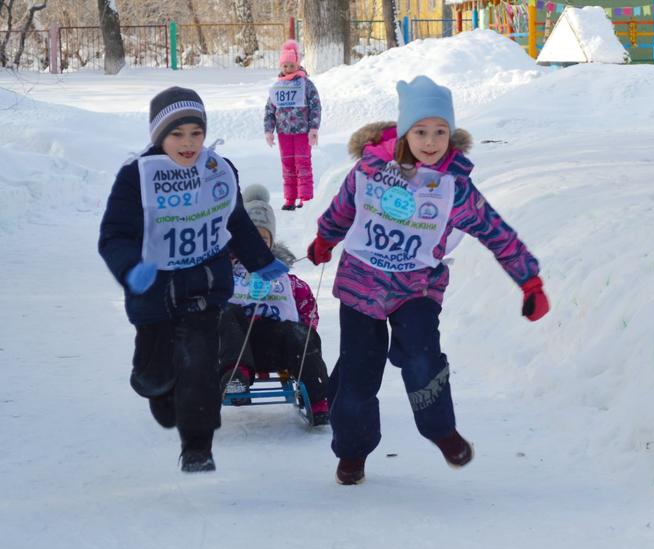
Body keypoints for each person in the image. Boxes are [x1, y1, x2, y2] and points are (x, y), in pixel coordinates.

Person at [307, 75, 551, 485]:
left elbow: (496, 232)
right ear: (405, 131)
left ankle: (441, 429)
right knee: (357, 373)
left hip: (416, 288)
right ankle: (352, 451)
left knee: (422, 357)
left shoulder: (454, 187)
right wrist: (324, 239)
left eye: (441, 131)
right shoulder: (370, 170)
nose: (431, 141)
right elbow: (342, 209)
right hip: (362, 285)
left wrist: (530, 282)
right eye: (421, 131)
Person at [99, 86, 289, 473]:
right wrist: (130, 267)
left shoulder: (217, 170)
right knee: (155, 373)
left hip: (204, 285)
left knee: (200, 366)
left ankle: (198, 447)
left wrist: (260, 261)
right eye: (177, 134)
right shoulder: (137, 177)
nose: (188, 143)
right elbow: (114, 235)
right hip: (154, 293)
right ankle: (158, 387)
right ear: (159, 135)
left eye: (196, 133)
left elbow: (235, 221)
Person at [219, 184, 331, 426]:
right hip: (236, 349)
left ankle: (318, 395)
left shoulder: (288, 282)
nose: (257, 245)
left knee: (300, 332)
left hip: (277, 349)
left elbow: (307, 311)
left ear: (270, 242)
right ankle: (237, 377)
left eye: (263, 239)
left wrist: (301, 331)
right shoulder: (223, 274)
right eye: (250, 238)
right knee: (224, 312)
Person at [264, 38, 321, 211]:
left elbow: (315, 106)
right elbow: (270, 110)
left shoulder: (306, 84)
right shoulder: (277, 87)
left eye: (291, 65)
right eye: (285, 65)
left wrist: (313, 128)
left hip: (302, 132)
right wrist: (269, 130)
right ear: (281, 66)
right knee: (288, 165)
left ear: (297, 64)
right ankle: (290, 198)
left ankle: (305, 198)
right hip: (284, 133)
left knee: (302, 164)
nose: (288, 68)